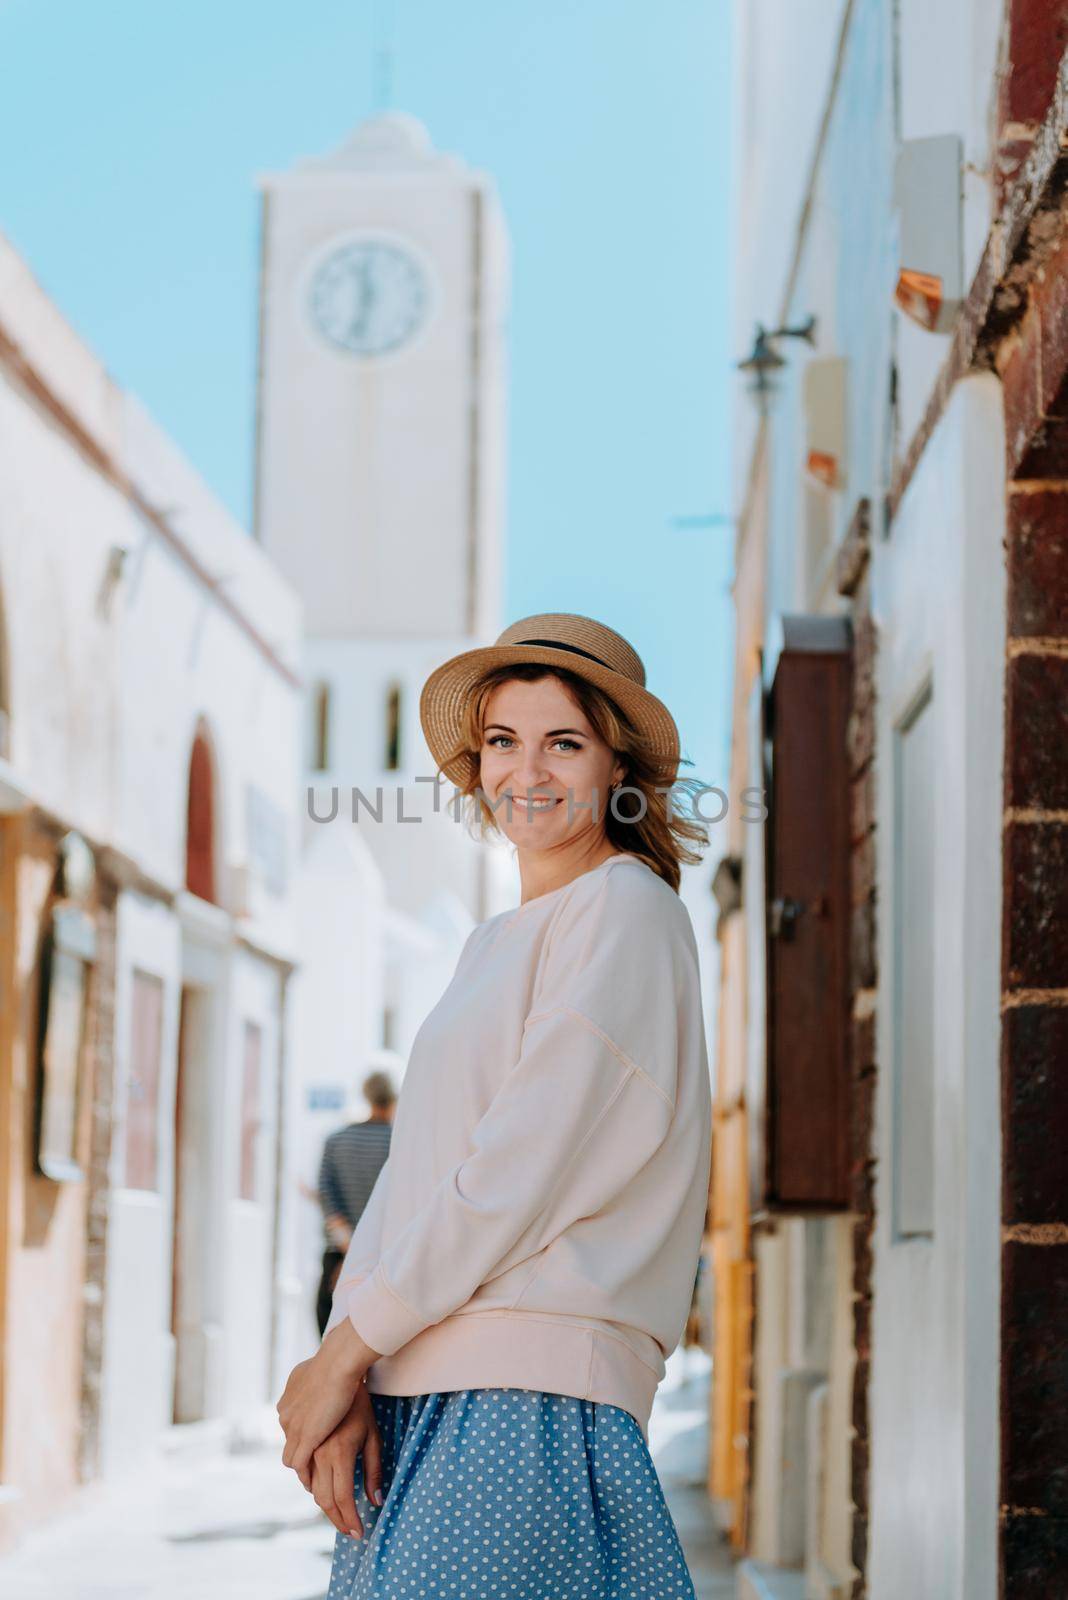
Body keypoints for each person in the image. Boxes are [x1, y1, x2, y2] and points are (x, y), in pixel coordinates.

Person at [277, 613, 713, 1600]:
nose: (529, 769)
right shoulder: (490, 944)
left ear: (617, 767)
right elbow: (419, 1174)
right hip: (416, 1388)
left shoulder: (627, 909)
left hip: (526, 1397)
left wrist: (347, 1349)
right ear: (477, 767)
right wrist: (346, 1362)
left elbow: (517, 1166)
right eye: (503, 741)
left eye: (565, 741)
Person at [315, 1071, 396, 1337]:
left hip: (338, 1254)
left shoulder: (336, 1141)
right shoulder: (398, 1142)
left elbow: (328, 1200)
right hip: (385, 1256)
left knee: (330, 1336)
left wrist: (349, 1251)